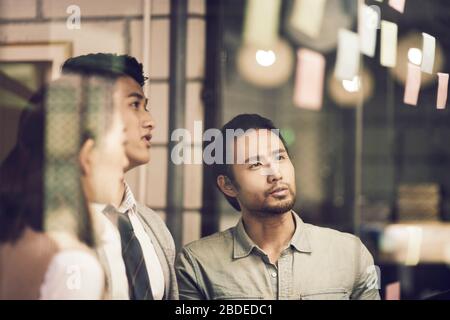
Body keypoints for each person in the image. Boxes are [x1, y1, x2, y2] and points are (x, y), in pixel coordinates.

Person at [175, 114, 381, 300]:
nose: (276, 174)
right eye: (255, 164)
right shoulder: (198, 263)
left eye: (279, 157)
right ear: (228, 185)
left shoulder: (349, 253)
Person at [61, 53, 178, 300]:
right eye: (134, 105)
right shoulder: (50, 225)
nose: (150, 121)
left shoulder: (153, 226)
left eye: (145, 107)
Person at [0, 74, 127, 299]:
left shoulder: (14, 237)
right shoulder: (73, 264)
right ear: (88, 156)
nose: (124, 160)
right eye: (121, 143)